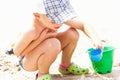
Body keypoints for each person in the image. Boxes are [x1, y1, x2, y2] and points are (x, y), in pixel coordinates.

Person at [13, 0, 103, 80]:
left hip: (47, 47)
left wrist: (95, 39)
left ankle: (66, 65)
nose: (59, 23)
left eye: (60, 18)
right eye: (53, 21)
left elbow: (83, 25)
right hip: (27, 60)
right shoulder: (31, 31)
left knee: (72, 34)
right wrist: (41, 38)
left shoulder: (54, 19)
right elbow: (18, 53)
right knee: (53, 43)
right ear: (37, 15)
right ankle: (42, 74)